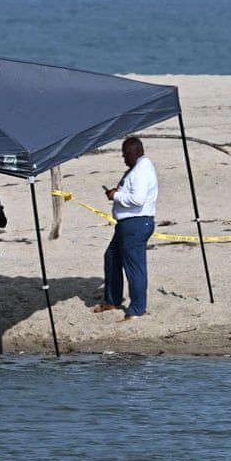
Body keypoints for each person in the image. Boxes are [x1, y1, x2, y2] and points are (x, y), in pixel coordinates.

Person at [93, 137, 158, 322]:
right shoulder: (136, 169)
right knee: (111, 257)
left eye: (126, 154)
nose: (123, 158)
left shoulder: (142, 170)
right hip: (126, 225)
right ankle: (112, 300)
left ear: (136, 151)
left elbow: (138, 199)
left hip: (136, 224)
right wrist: (117, 193)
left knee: (134, 268)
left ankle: (137, 309)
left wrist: (116, 196)